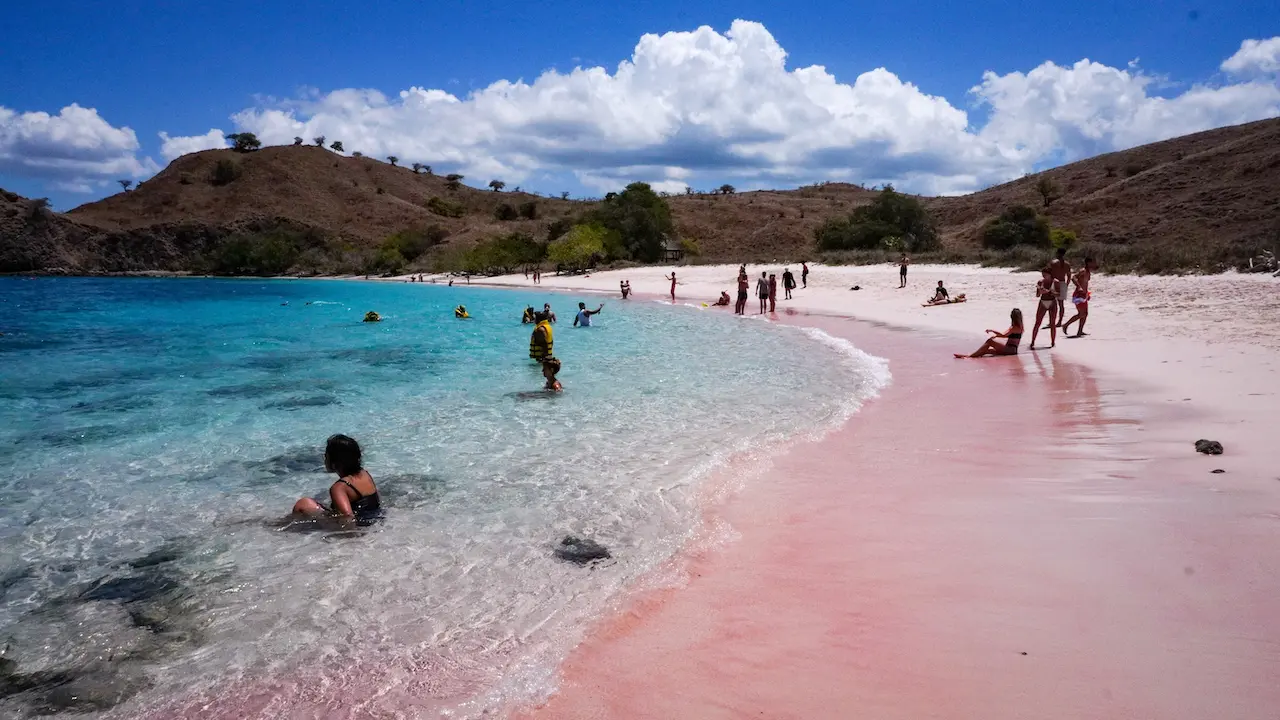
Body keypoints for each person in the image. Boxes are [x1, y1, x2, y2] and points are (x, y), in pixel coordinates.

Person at [291, 435, 381, 521]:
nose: (325, 460)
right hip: (373, 518)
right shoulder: (364, 473)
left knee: (304, 503)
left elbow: (348, 518)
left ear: (335, 462)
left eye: (326, 456)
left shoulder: (339, 487)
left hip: (359, 526)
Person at [955, 309, 1023, 358]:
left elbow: (1003, 335)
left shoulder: (1014, 328)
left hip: (1010, 350)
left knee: (990, 341)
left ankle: (969, 356)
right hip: (1012, 350)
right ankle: (971, 356)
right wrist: (996, 336)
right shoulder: (1020, 327)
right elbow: (1005, 336)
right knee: (986, 351)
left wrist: (992, 330)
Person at [1061, 257, 1097, 338]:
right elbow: (1073, 277)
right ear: (1088, 263)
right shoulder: (1083, 271)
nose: (1094, 264)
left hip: (1084, 294)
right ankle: (1065, 325)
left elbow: (1085, 284)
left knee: (1085, 314)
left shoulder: (1088, 272)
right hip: (1078, 294)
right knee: (1081, 314)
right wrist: (1079, 287)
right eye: (1093, 262)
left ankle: (1080, 331)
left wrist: (1087, 294)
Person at [1029, 268, 1058, 349]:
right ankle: (1032, 342)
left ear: (1050, 274)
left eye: (1045, 274)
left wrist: (1049, 292)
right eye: (1043, 274)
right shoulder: (1040, 282)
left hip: (1052, 302)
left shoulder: (1056, 282)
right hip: (1043, 302)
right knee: (1038, 322)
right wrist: (1039, 289)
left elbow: (1060, 295)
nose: (1043, 276)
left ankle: (1053, 342)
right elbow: (1037, 295)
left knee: (1052, 323)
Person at [1048, 247, 1071, 327]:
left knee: (1051, 303)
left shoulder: (1053, 262)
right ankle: (1060, 322)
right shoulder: (1067, 264)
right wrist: (1066, 285)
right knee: (1061, 305)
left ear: (1057, 252)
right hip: (1062, 283)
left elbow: (1049, 273)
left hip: (1054, 283)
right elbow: (1069, 276)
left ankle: (1052, 321)